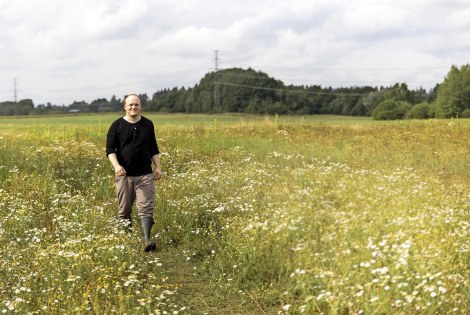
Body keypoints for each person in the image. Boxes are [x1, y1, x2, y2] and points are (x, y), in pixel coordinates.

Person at [106, 94, 162, 252]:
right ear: (125, 106)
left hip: (145, 174)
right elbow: (110, 149)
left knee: (146, 207)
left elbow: (153, 147)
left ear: (140, 106)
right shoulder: (117, 125)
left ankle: (147, 241)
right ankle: (126, 241)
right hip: (124, 176)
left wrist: (158, 167)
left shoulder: (148, 124)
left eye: (136, 104)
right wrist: (117, 166)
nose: (133, 107)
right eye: (130, 105)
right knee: (124, 210)